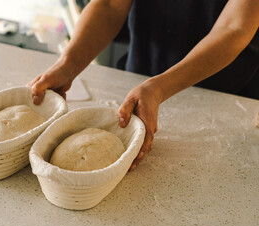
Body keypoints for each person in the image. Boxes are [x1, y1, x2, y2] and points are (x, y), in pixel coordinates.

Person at [27, 0, 259, 170]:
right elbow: (109, 5)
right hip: (138, 82)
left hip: (223, 98)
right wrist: (67, 65)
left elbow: (235, 27)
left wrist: (158, 88)